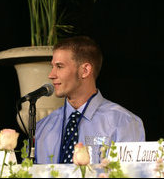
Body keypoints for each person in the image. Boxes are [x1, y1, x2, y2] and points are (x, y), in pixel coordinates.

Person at [35, 35, 145, 164]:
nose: (51, 75)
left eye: (59, 66)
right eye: (52, 66)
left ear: (85, 70)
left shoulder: (124, 122)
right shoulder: (43, 127)